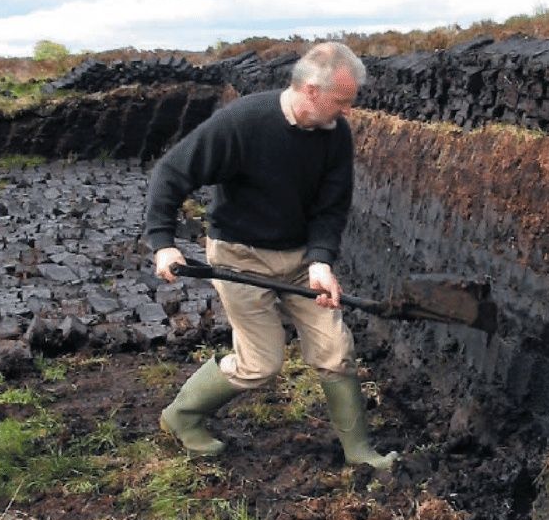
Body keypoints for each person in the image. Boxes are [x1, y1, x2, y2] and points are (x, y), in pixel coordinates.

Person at [144, 41, 397, 470]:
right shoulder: (243, 123)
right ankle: (181, 417)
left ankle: (359, 451)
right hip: (239, 257)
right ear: (312, 91)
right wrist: (163, 242)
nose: (349, 112)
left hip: (300, 261)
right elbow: (172, 172)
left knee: (335, 349)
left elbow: (332, 206)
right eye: (343, 101)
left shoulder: (336, 136)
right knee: (260, 363)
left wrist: (320, 259)